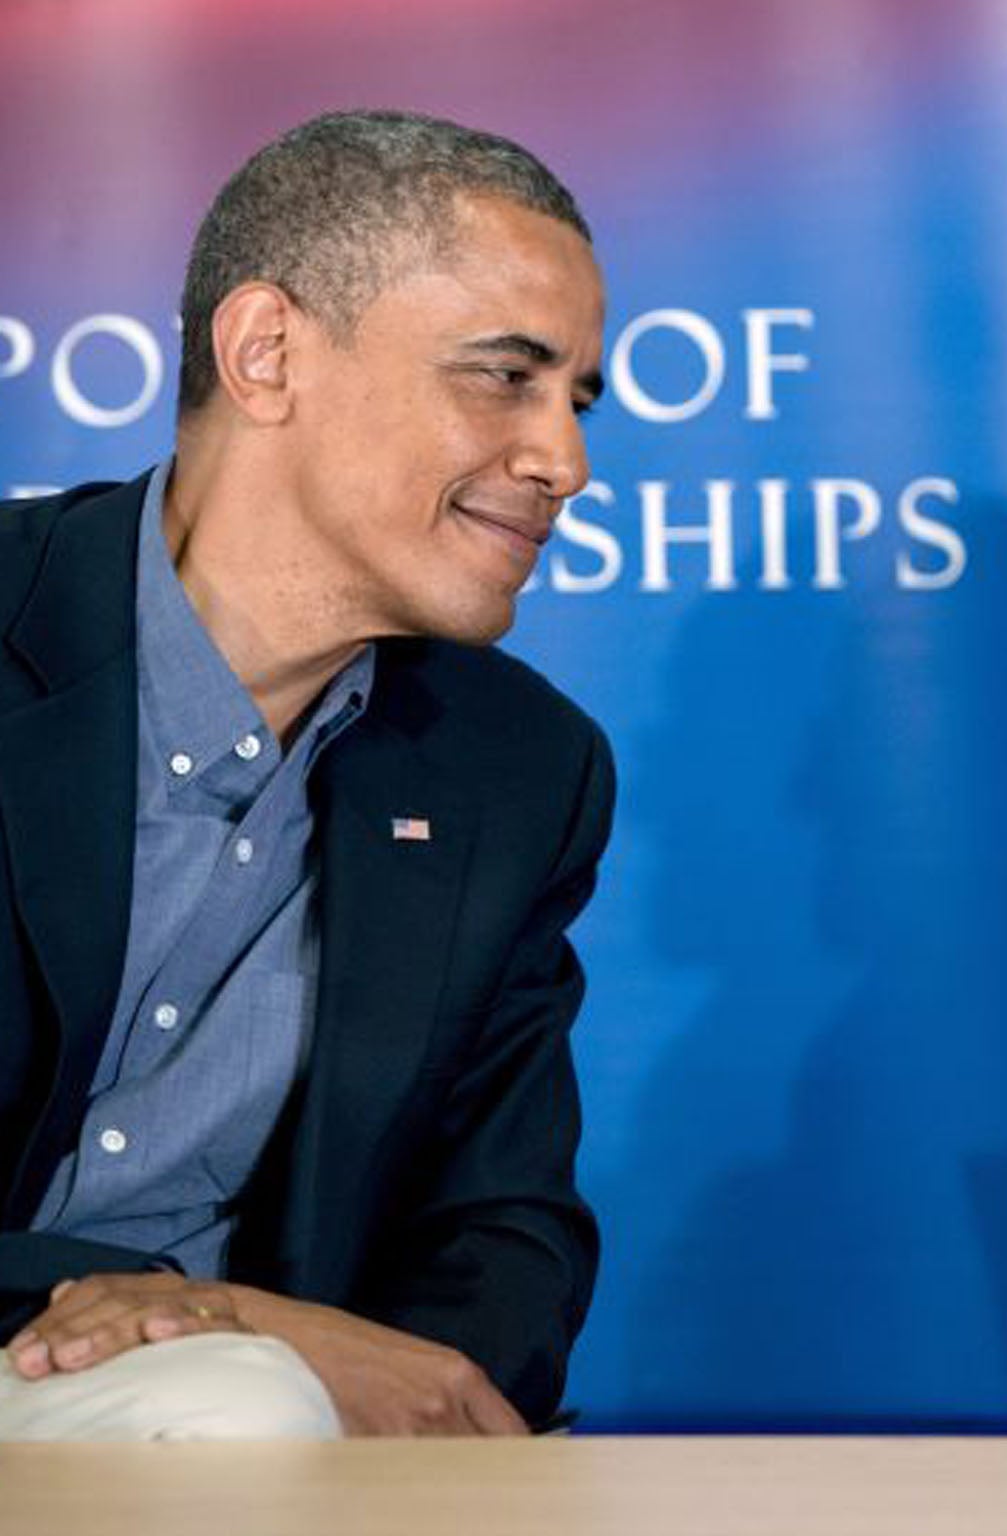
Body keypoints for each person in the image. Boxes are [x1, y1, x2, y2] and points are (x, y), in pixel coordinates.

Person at [0, 110, 612, 1439]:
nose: (563, 462)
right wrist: (213, 1319)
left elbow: (505, 1226)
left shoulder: (517, 765)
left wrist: (340, 1359)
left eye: (575, 401)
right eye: (504, 378)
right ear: (267, 353)